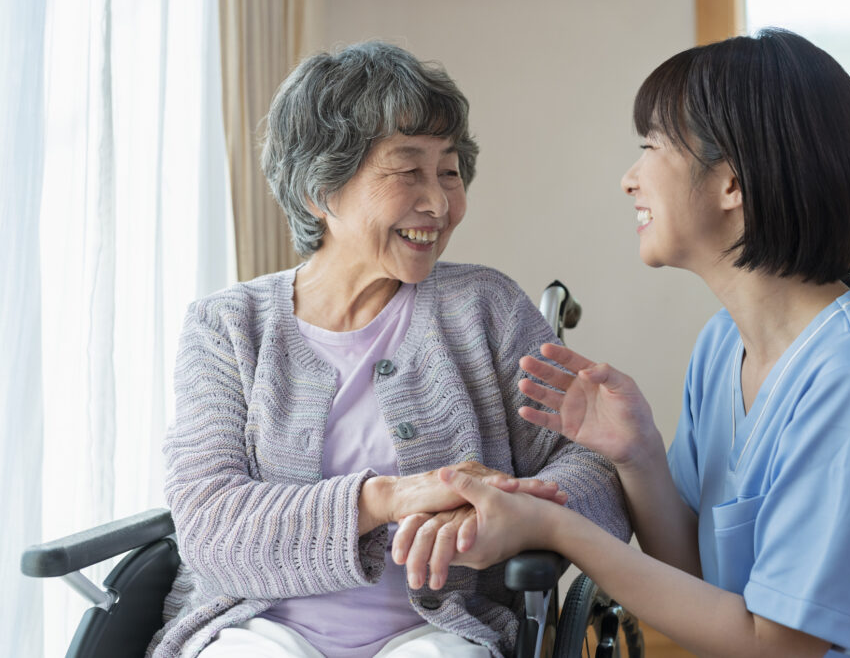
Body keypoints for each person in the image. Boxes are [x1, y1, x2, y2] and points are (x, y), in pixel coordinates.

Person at [415, 29, 850, 657]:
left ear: (732, 183)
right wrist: (638, 452)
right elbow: (699, 580)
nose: (629, 179)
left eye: (650, 148)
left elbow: (777, 649)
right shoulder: (725, 344)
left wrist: (556, 529)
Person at [147, 41, 629, 658]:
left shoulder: (487, 308)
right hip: (253, 627)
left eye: (449, 171)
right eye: (408, 171)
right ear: (322, 189)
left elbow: (592, 471)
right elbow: (212, 529)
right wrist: (389, 497)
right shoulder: (228, 327)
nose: (439, 203)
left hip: (439, 629)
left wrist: (506, 517)